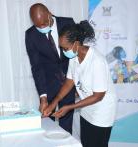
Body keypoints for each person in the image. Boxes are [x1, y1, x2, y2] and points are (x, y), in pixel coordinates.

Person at [43, 20, 117, 147]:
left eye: (65, 48)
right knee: (87, 143)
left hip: (102, 111)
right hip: (87, 109)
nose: (63, 51)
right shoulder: (74, 58)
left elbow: (98, 96)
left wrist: (69, 107)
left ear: (77, 44)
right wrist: (53, 104)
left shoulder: (97, 61)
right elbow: (69, 82)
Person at [25, 3, 76, 134]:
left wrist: (78, 82)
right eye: (38, 26)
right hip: (48, 84)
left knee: (66, 123)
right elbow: (36, 66)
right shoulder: (30, 35)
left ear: (49, 14)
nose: (41, 28)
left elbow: (77, 55)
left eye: (43, 24)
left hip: (69, 81)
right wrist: (43, 97)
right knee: (47, 125)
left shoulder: (67, 23)